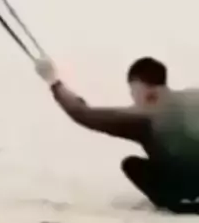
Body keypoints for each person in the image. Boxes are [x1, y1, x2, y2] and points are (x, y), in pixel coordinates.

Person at [35, 54, 199, 213]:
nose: (132, 96)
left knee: (132, 165)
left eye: (133, 90)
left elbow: (83, 113)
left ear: (142, 87)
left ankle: (181, 202)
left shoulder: (144, 118)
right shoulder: (193, 96)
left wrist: (53, 81)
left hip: (186, 185)